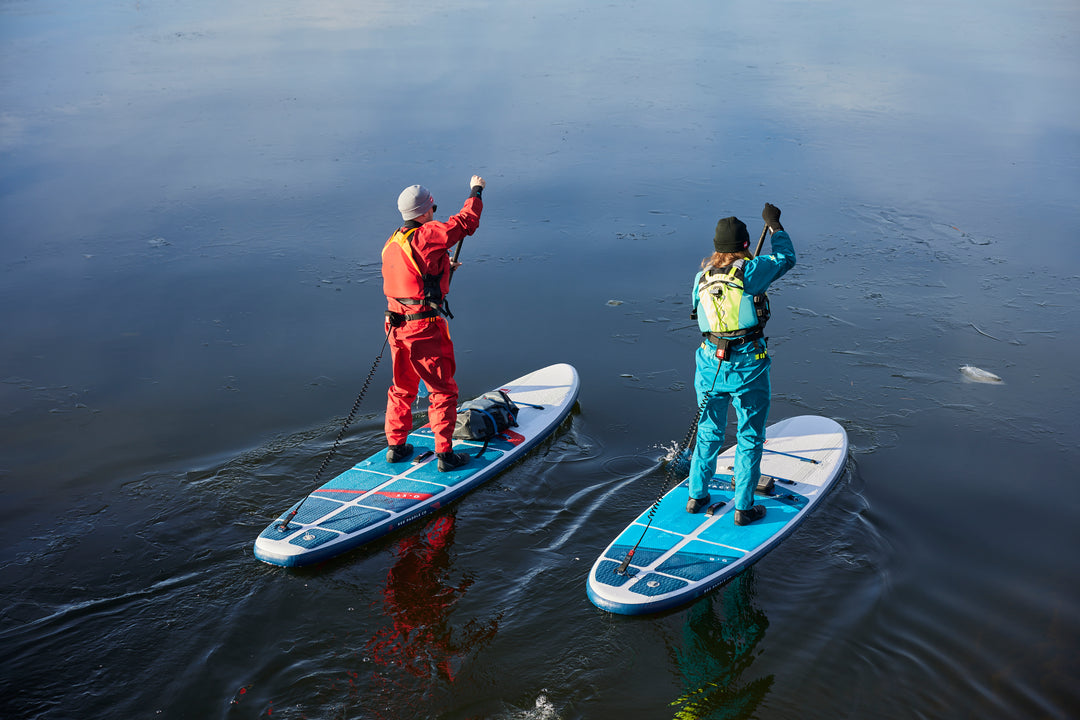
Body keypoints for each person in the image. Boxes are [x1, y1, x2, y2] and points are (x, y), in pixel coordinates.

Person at [685, 203, 795, 524]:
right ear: (745, 245)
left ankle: (696, 496)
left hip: (708, 364)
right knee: (748, 436)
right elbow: (787, 259)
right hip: (748, 367)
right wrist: (775, 225)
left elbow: (699, 308)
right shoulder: (751, 271)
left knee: (708, 432)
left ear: (717, 248)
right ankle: (743, 509)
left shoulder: (700, 277)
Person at [382, 175, 485, 472]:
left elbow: (410, 277)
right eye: (433, 208)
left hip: (395, 327)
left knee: (402, 387)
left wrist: (441, 269)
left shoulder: (392, 242)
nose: (434, 214)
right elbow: (466, 222)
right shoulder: (427, 235)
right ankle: (445, 455)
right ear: (425, 212)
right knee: (443, 391)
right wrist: (476, 190)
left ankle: (396, 447)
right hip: (422, 329)